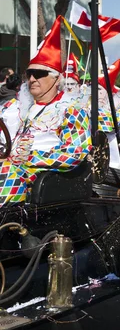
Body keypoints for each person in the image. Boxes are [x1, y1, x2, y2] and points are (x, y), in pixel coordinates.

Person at [0, 16, 91, 207]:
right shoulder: (16, 107)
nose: (32, 79)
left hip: (39, 177)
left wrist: (30, 157)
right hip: (10, 166)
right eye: (29, 73)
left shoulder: (72, 110)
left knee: (5, 170)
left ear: (57, 79)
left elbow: (74, 154)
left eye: (40, 74)